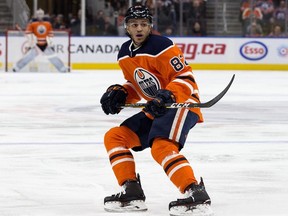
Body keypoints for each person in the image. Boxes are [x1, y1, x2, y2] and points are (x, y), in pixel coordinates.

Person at [100, 5, 212, 215]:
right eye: (134, 25)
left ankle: (195, 192)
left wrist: (168, 95)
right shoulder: (124, 53)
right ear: (127, 27)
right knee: (115, 137)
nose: (139, 28)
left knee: (161, 146)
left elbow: (186, 78)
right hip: (157, 107)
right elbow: (138, 84)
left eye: (144, 24)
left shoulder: (162, 45)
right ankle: (131, 191)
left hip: (181, 103)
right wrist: (122, 92)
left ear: (150, 26)